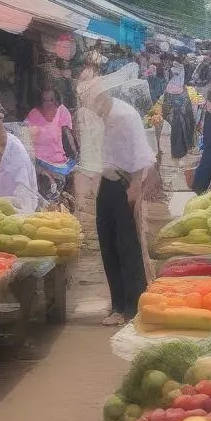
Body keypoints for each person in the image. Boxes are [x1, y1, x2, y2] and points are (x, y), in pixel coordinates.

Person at [82, 77, 156, 327]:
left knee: (128, 246)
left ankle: (134, 306)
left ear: (104, 97)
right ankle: (117, 305)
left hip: (125, 182)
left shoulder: (125, 115)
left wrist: (135, 187)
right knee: (107, 245)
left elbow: (140, 153)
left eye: (94, 102)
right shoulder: (96, 118)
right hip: (106, 182)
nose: (92, 108)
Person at [25, 88, 75, 168]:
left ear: (57, 102)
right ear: (41, 102)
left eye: (51, 100)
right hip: (37, 163)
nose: (48, 103)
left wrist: (73, 156)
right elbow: (26, 137)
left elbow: (67, 136)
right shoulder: (34, 113)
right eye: (45, 100)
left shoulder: (62, 110)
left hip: (58, 163)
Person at [161, 63, 195, 163]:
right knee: (180, 138)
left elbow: (166, 106)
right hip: (180, 119)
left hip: (173, 119)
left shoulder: (170, 87)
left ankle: (177, 156)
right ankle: (180, 155)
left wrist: (167, 116)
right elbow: (187, 107)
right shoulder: (183, 89)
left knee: (175, 138)